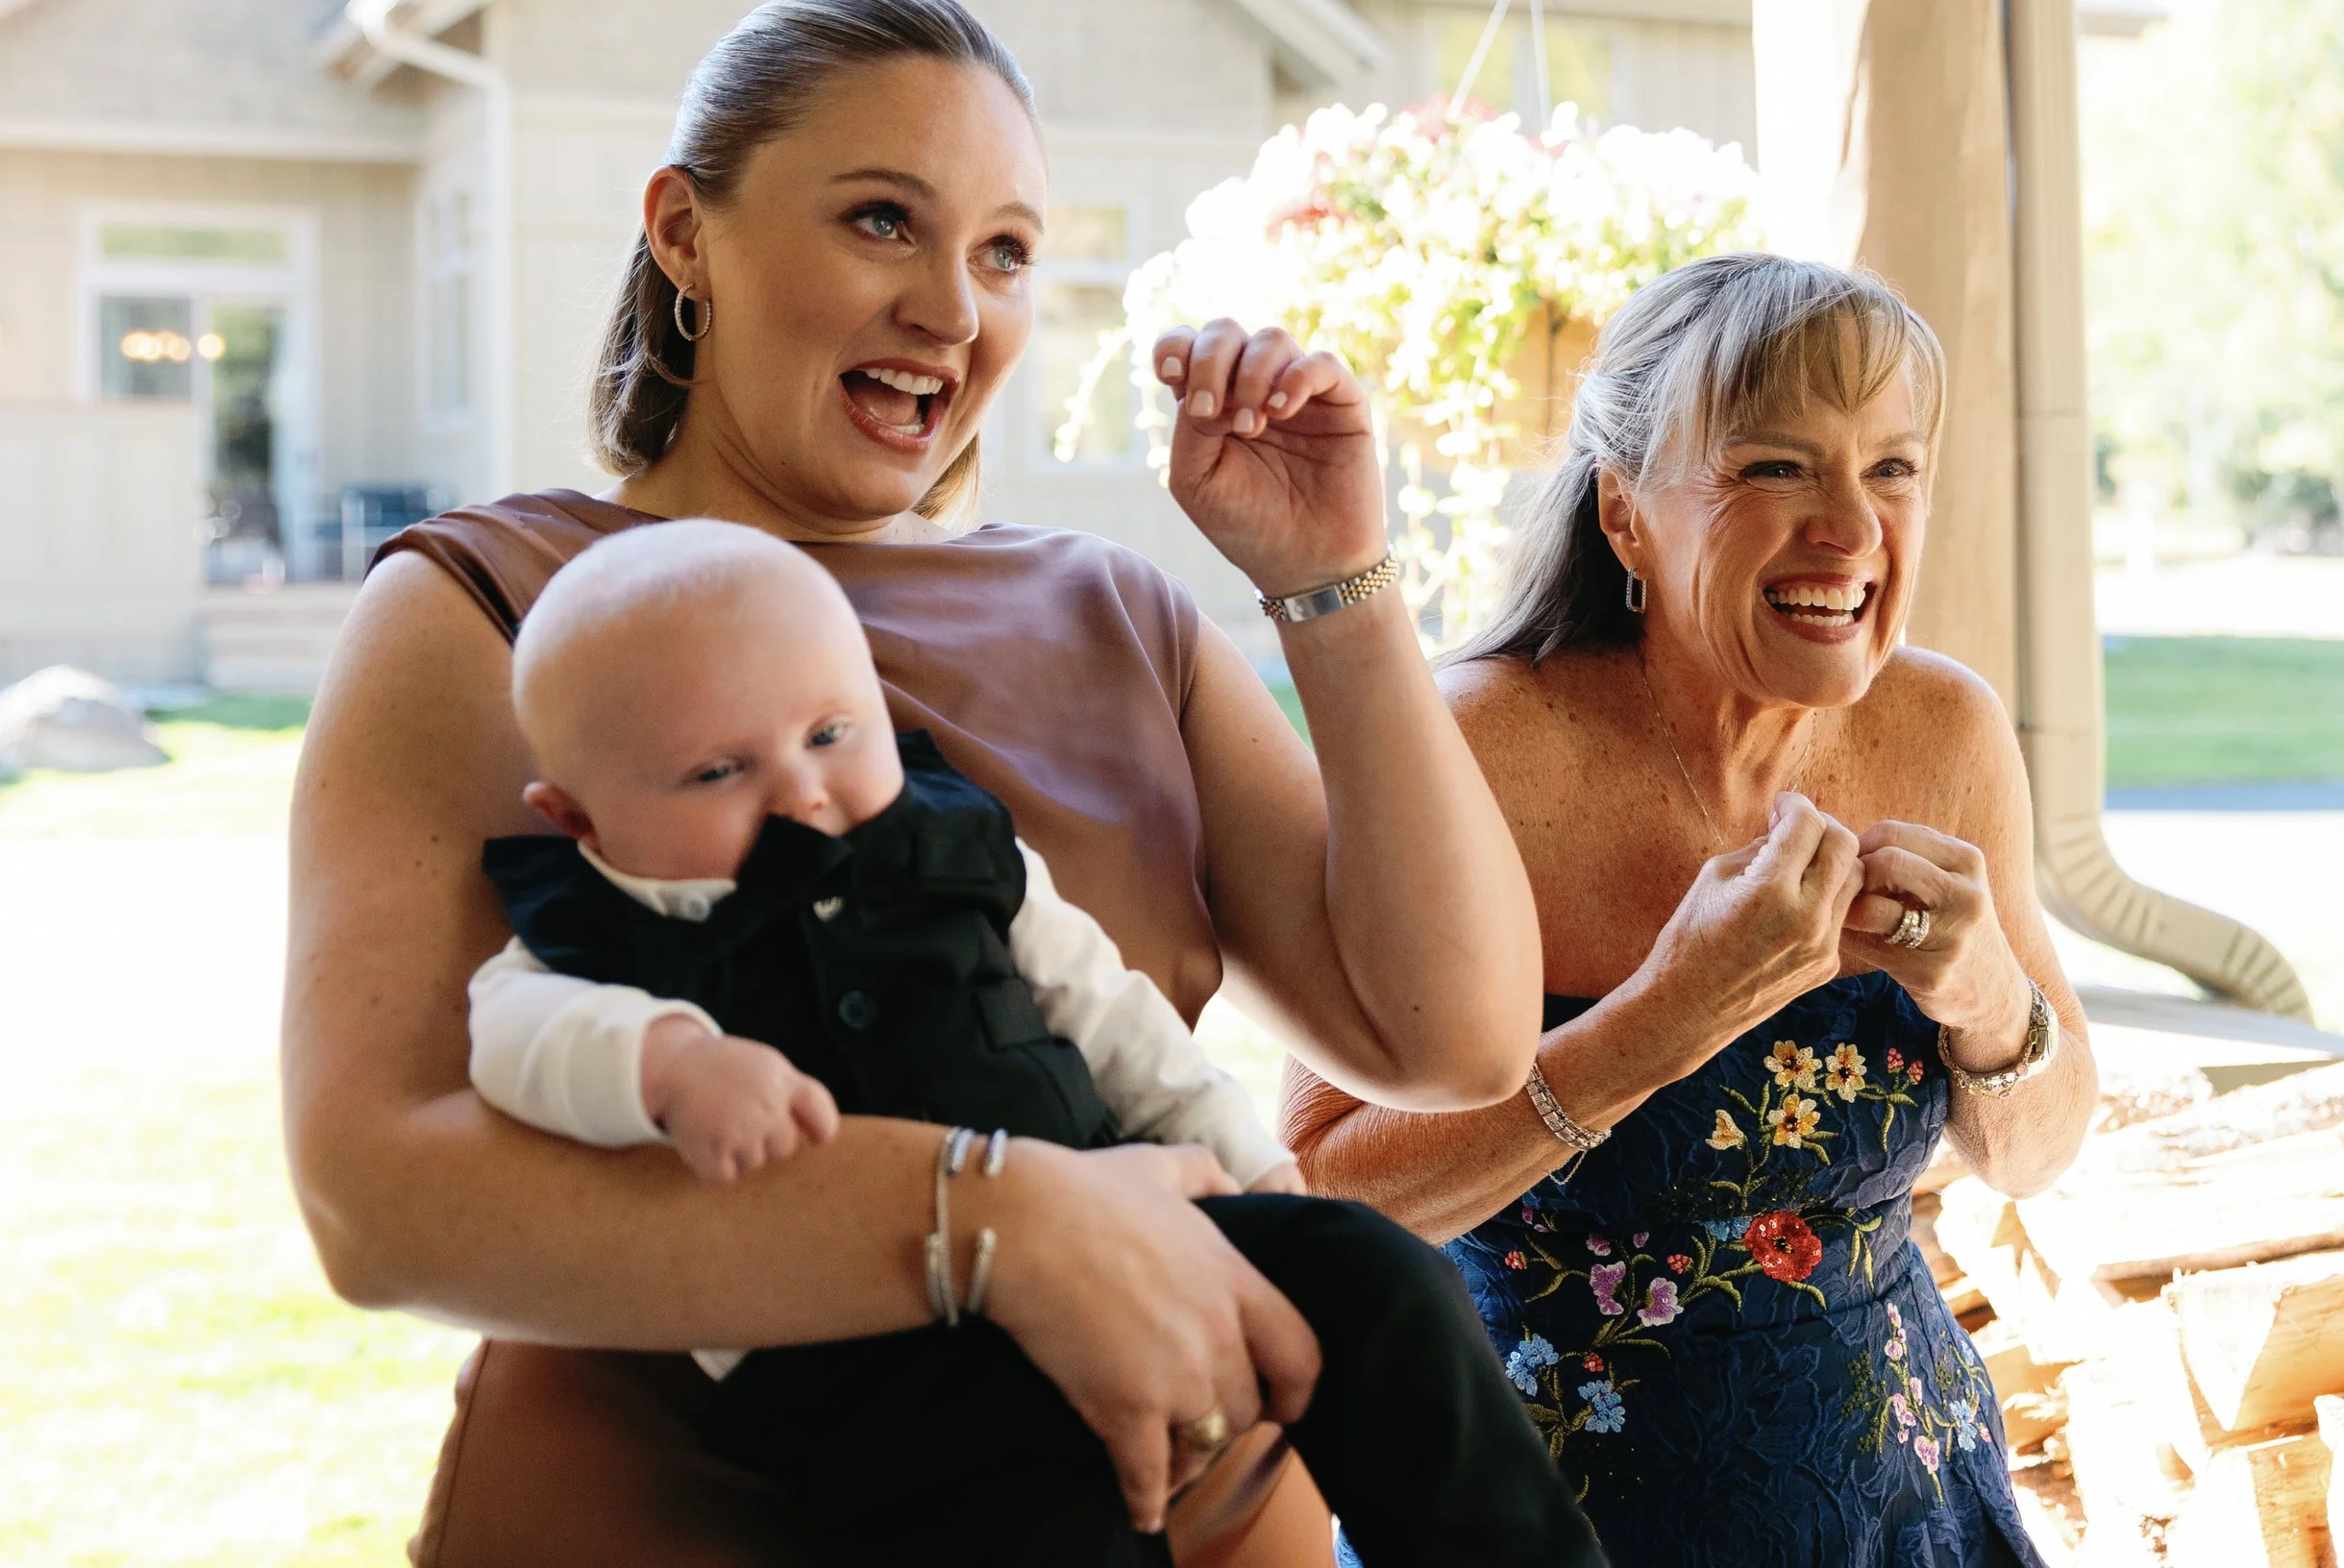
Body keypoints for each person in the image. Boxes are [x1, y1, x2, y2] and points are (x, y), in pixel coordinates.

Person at [282, 0, 1547, 1568]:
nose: (956, 308)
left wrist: (1337, 582)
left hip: (1224, 1506)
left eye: (1006, 250)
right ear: (685, 232)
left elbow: (1454, 1035)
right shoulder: (493, 605)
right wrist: (989, 1219)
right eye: (884, 220)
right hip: (708, 1519)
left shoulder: (1110, 614)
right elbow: (376, 1199)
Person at [460, 518, 1600, 1568]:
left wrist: (1245, 1165)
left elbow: (1104, 1011)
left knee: (1377, 1276)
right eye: (718, 771)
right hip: (866, 1355)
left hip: (1143, 1223)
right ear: (577, 816)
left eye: (828, 733)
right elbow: (513, 1034)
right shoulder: (601, 934)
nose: (802, 793)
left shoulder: (952, 846)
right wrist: (664, 1064)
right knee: (1031, 1514)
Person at [1284, 254, 2100, 1568]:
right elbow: (1321, 1191)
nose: (1849, 527)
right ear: (1623, 515)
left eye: (1892, 469)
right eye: (1775, 466)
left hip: (1899, 1505)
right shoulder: (1473, 747)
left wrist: (1987, 991)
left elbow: (2035, 1153)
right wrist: (1669, 1014)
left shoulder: (1943, 726)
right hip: (1530, 1511)